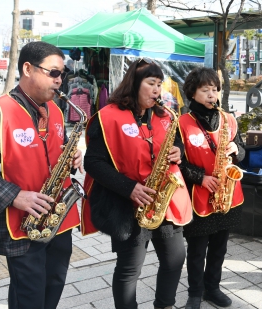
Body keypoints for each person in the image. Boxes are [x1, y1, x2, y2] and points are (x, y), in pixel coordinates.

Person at [0, 41, 83, 309]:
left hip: (57, 220)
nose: (60, 80)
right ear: (27, 68)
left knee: (52, 290)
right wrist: (15, 195)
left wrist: (72, 159)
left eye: (63, 74)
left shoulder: (57, 111)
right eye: (53, 72)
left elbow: (53, 154)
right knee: (29, 299)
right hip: (20, 224)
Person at [82, 58, 192, 309]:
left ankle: (164, 305)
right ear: (134, 84)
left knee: (175, 259)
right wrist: (128, 188)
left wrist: (178, 151)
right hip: (128, 204)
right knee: (129, 268)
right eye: (151, 83)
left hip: (165, 202)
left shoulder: (165, 115)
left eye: (159, 84)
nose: (157, 90)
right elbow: (93, 162)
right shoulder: (108, 116)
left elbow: (176, 144)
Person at [177, 67, 245, 309]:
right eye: (205, 90)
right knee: (197, 251)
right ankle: (195, 293)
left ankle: (212, 288)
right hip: (199, 196)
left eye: (214, 89)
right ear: (192, 93)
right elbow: (177, 164)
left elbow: (242, 151)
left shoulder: (228, 119)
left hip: (227, 194)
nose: (211, 95)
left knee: (219, 248)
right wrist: (201, 178)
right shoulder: (181, 123)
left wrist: (237, 151)